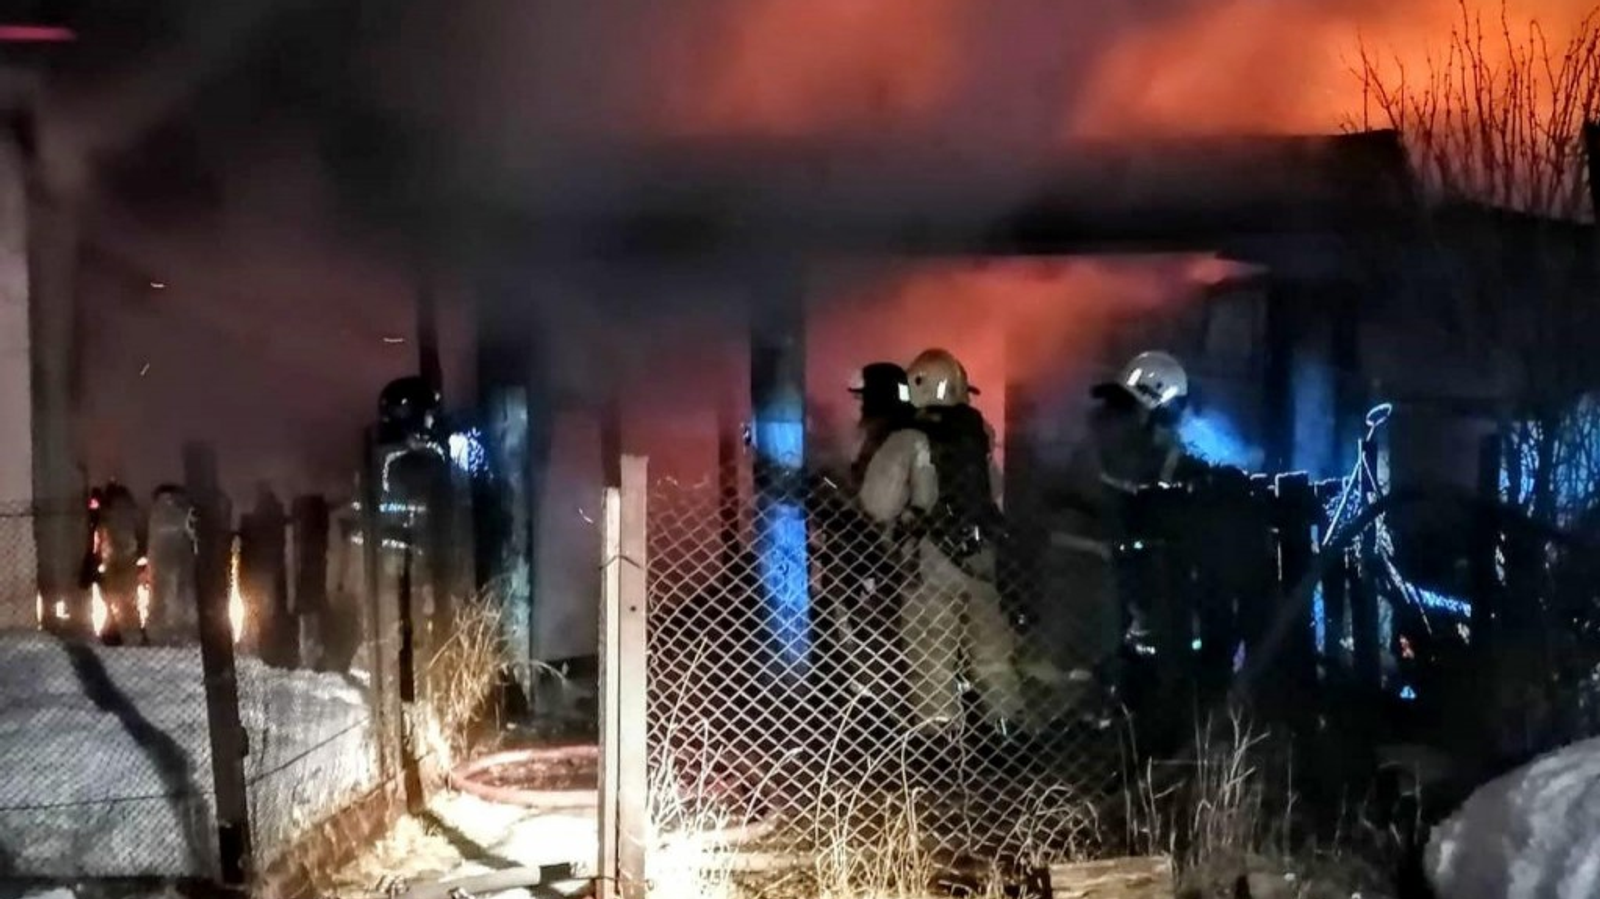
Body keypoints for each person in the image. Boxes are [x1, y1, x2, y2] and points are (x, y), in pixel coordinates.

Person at [858, 348, 1025, 738]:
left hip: (930, 563)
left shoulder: (909, 438)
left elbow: (878, 504)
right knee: (992, 655)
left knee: (931, 656)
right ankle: (1007, 733)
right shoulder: (976, 434)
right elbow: (994, 490)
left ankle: (941, 743)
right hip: (982, 557)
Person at [1036, 350, 1198, 722]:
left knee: (1089, 641)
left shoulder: (1113, 419)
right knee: (1092, 641)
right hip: (1081, 549)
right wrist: (1179, 466)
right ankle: (1068, 722)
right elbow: (1126, 474)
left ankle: (1074, 719)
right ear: (1155, 393)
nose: (1172, 415)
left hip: (1085, 545)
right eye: (1171, 404)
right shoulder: (1118, 424)